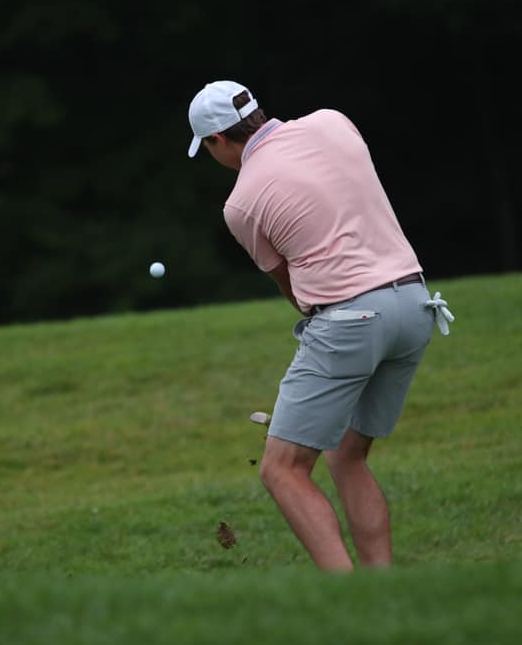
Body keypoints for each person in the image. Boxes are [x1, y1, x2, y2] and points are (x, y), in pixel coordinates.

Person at [187, 80, 452, 571]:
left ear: (217, 141)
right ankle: (384, 590)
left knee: (282, 469)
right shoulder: (332, 120)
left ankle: (350, 601)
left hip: (352, 319)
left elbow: (291, 287)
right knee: (347, 454)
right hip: (416, 304)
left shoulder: (240, 203)